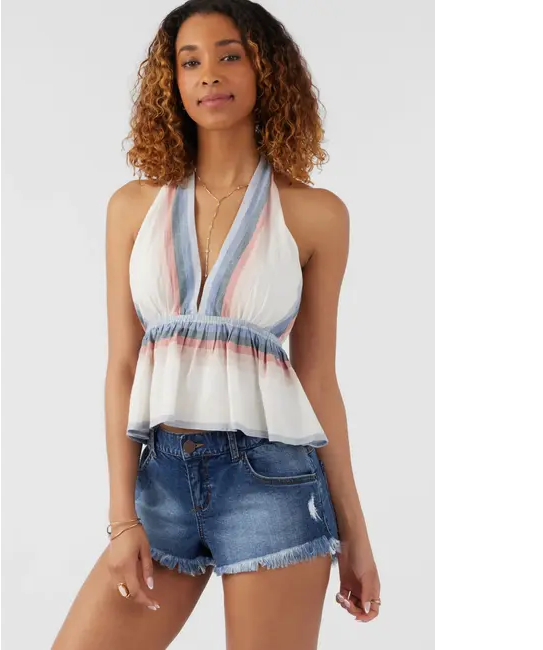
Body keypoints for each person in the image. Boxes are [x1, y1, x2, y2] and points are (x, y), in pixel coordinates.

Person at [52, 1, 381, 648]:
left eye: (229, 55)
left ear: (266, 70)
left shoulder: (316, 215)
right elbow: (123, 365)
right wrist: (123, 518)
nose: (209, 74)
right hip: (160, 481)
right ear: (171, 81)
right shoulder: (133, 207)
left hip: (273, 483)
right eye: (189, 61)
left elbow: (318, 379)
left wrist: (356, 535)